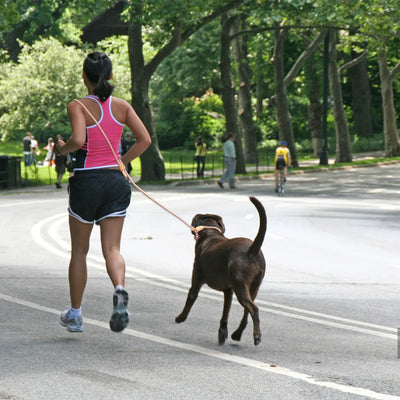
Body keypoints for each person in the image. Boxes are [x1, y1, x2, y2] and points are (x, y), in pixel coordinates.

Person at [54, 52, 151, 333]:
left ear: (84, 76)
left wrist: (62, 148)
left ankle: (75, 315)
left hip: (86, 182)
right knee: (112, 248)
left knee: (80, 252)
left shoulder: (77, 106)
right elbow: (145, 140)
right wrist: (123, 161)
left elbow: (79, 141)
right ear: (109, 76)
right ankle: (120, 288)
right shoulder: (122, 106)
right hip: (115, 181)